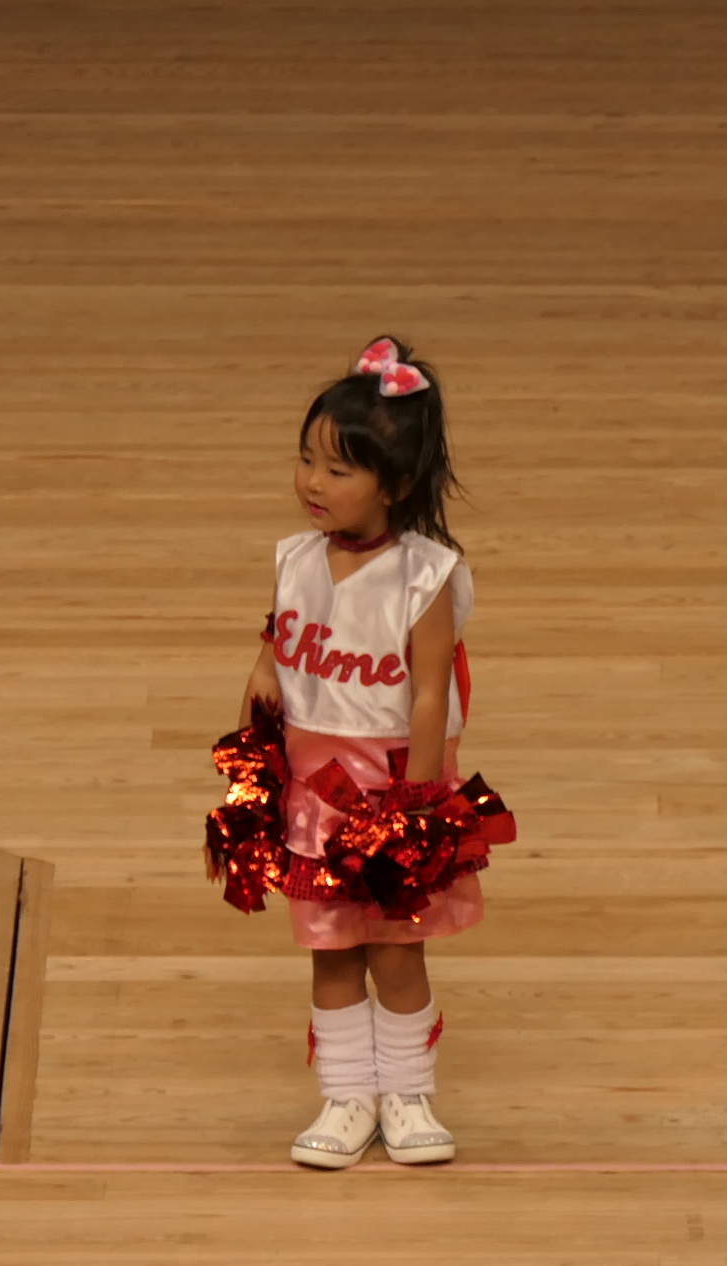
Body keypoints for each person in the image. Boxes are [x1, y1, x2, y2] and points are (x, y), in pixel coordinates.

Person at [237, 337, 482, 1169]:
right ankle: (346, 1097)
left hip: (393, 792)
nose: (313, 482)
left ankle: (408, 1095)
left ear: (396, 485)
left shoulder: (426, 576)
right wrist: (253, 757)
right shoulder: (293, 560)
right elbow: (272, 658)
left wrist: (416, 808)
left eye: (338, 469)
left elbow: (429, 693)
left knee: (397, 950)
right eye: (306, 460)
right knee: (331, 950)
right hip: (315, 796)